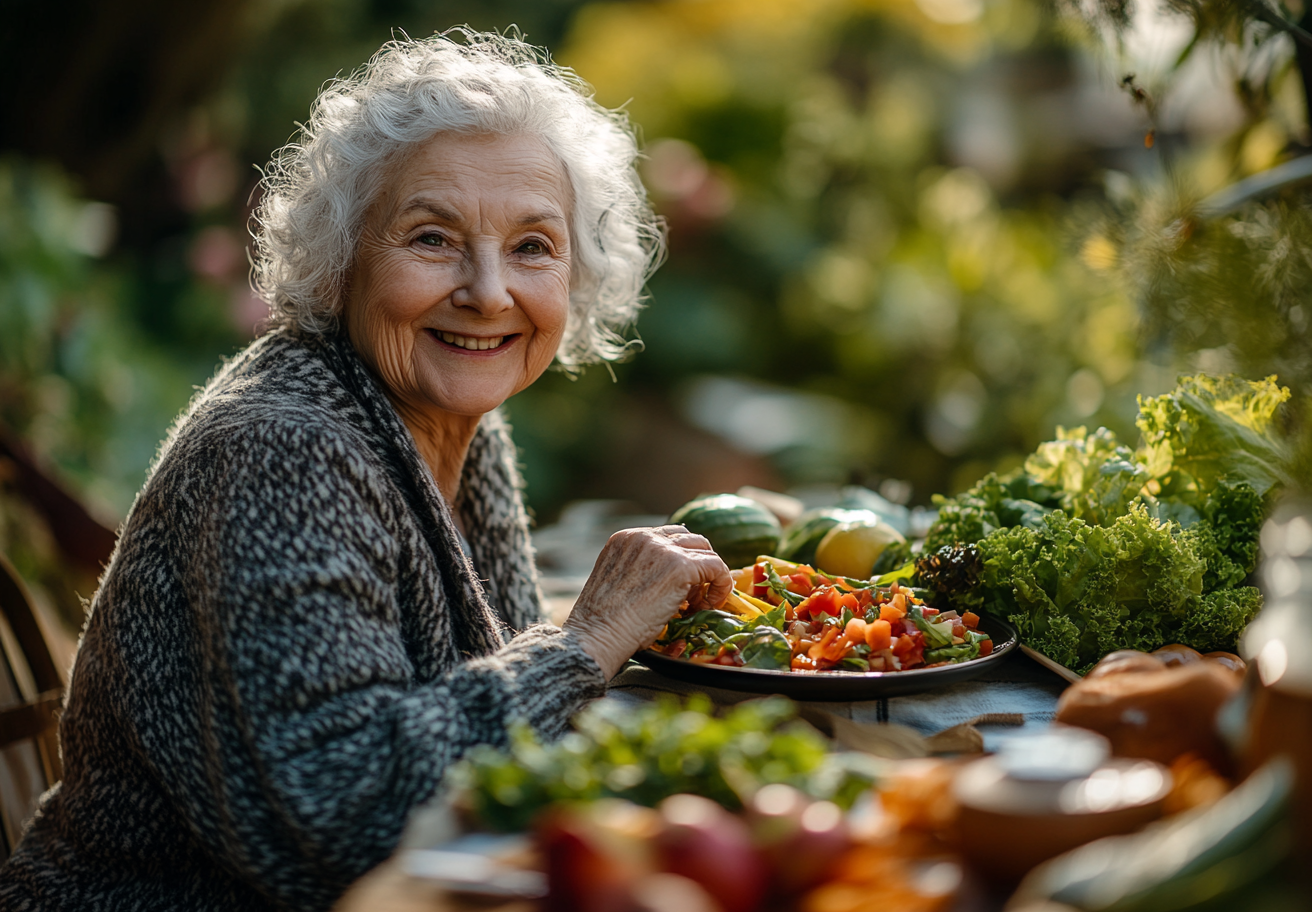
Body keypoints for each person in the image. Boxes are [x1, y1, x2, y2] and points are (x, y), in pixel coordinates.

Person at [0, 30, 732, 912]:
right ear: (341, 259)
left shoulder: (454, 418)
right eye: (433, 239)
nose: (490, 292)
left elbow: (489, 714)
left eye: (533, 246)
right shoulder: (282, 448)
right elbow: (348, 819)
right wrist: (585, 640)